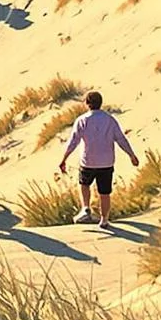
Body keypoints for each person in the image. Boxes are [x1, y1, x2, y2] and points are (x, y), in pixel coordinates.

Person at [59, 90, 140, 234]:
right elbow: (121, 139)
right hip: (106, 162)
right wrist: (131, 155)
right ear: (100, 103)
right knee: (105, 192)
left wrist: (64, 158)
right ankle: (104, 220)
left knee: (84, 184)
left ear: (87, 103)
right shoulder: (110, 119)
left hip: (88, 161)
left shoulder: (82, 120)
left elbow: (74, 141)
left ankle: (85, 208)